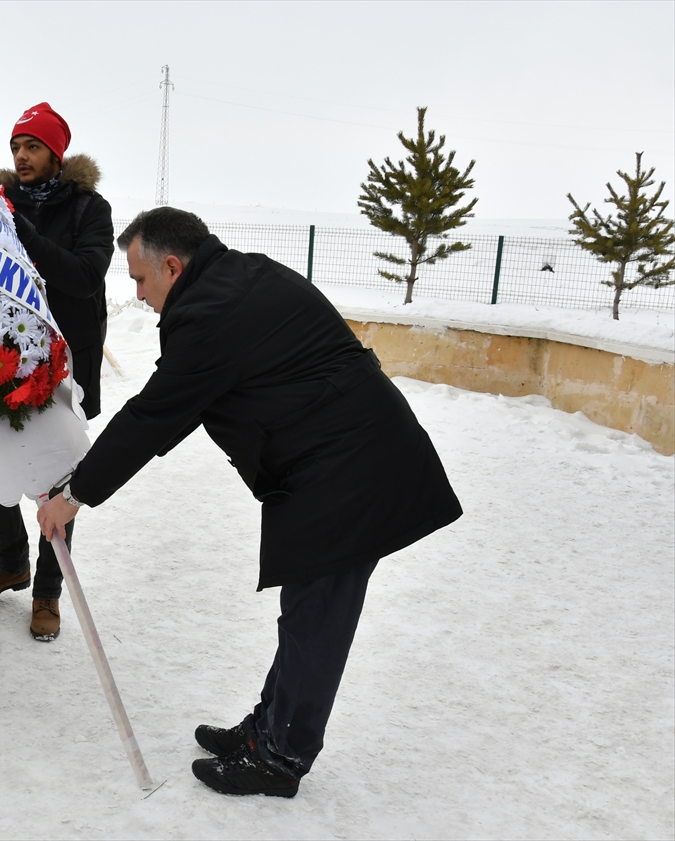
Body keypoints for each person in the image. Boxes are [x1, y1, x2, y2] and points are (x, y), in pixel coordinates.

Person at [38, 207, 463, 796]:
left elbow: (156, 412)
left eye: (139, 280)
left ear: (171, 265)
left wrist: (76, 494)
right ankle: (269, 728)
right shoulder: (234, 279)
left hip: (351, 467)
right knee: (306, 608)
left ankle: (281, 757)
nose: (137, 295)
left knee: (318, 614)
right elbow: (180, 405)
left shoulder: (212, 312)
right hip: (336, 455)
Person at [0, 103, 114, 641]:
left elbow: (84, 277)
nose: (21, 157)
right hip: (1, 354)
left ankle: (47, 592)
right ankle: (14, 560)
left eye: (33, 148)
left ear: (56, 154)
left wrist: (23, 233)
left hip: (62, 363)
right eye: (16, 147)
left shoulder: (89, 209)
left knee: (58, 475)